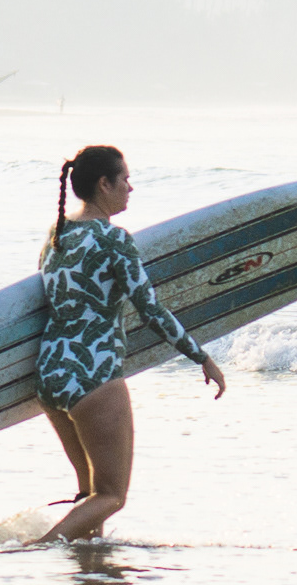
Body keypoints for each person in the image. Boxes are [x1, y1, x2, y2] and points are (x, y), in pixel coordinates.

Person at [32, 145, 226, 544]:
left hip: (50, 376)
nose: (130, 188)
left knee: (90, 495)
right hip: (94, 374)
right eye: (124, 180)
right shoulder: (114, 239)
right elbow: (150, 310)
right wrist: (200, 356)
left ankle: (89, 572)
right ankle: (36, 550)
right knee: (111, 495)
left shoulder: (58, 233)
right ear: (104, 184)